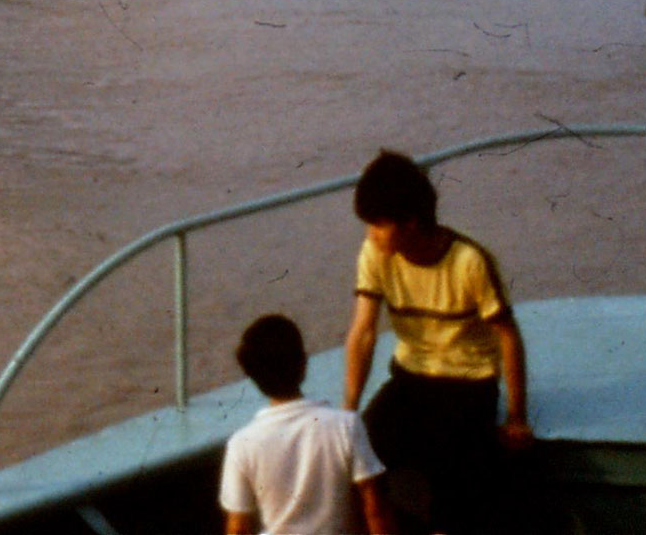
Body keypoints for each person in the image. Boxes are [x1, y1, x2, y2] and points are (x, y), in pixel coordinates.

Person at [343, 151, 530, 535]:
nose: (370, 236)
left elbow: (507, 336)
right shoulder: (375, 254)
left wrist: (516, 416)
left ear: (411, 223)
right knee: (360, 458)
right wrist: (347, 414)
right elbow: (362, 333)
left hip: (468, 385)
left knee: (454, 478)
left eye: (378, 225)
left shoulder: (469, 262)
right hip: (410, 378)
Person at [221, 314, 391, 534]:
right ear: (303, 363)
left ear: (253, 377)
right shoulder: (345, 426)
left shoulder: (242, 444)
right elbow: (374, 509)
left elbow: (238, 529)